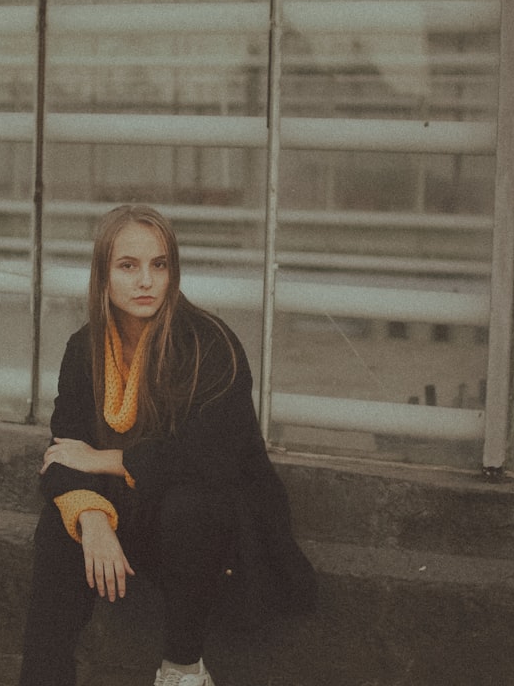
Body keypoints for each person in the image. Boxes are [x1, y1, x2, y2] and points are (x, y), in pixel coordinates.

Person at [18, 205, 316, 686]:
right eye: (128, 266)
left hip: (213, 531)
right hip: (132, 514)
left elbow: (211, 459)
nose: (146, 281)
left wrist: (105, 458)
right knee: (62, 524)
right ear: (103, 276)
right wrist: (91, 520)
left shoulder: (210, 343)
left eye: (160, 265)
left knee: (189, 507)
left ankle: (183, 670)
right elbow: (62, 449)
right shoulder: (86, 347)